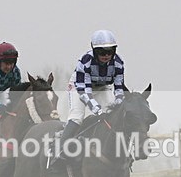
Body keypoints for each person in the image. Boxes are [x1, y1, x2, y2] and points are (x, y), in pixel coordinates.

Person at [52, 29, 126, 167]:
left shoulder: (119, 63)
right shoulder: (85, 61)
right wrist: (96, 109)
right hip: (80, 87)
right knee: (77, 116)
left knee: (111, 116)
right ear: (94, 51)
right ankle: (59, 150)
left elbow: (119, 89)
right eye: (101, 52)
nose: (106, 55)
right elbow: (84, 92)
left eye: (109, 51)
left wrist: (117, 104)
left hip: (102, 87)